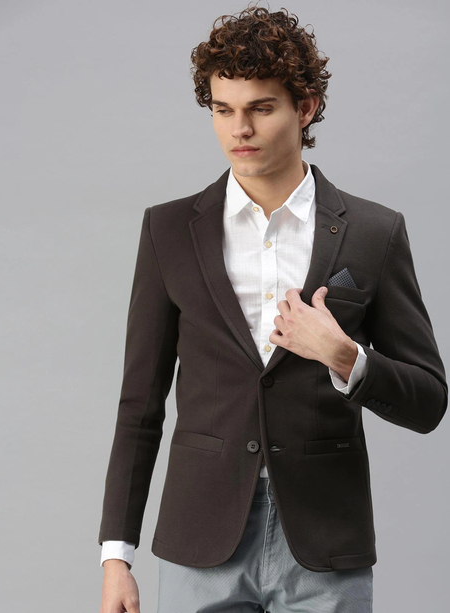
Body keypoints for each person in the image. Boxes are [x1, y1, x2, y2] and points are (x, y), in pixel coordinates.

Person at [98, 5, 448, 613]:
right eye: (223, 110)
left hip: (325, 540)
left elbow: (429, 401)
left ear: (305, 107)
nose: (240, 129)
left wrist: (347, 357)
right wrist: (115, 556)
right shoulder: (169, 231)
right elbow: (139, 404)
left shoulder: (373, 232)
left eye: (261, 108)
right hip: (200, 536)